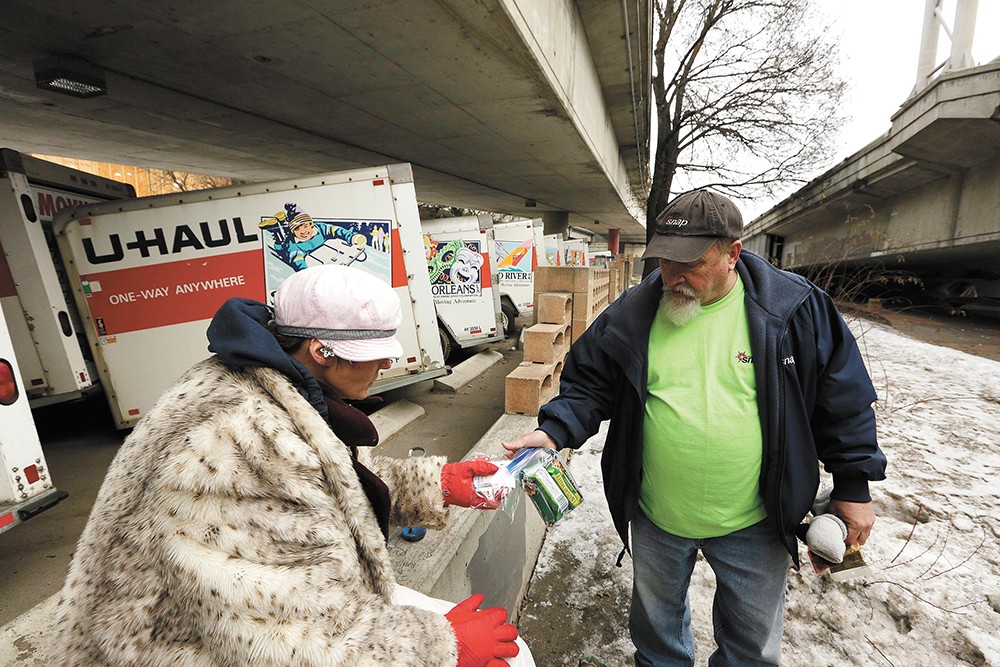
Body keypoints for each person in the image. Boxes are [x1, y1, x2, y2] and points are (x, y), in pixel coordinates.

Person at [52, 264, 531, 667]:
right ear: (322, 351)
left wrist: (430, 484)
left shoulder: (269, 385)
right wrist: (437, 647)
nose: (387, 360)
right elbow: (273, 631)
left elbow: (318, 484)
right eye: (374, 351)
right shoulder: (235, 440)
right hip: (177, 646)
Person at [503, 189, 887, 666]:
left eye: (691, 263)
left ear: (733, 254)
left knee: (751, 651)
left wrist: (853, 484)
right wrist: (554, 430)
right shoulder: (632, 315)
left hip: (756, 521)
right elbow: (589, 386)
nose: (674, 276)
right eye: (665, 261)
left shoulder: (795, 310)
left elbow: (843, 401)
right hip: (657, 516)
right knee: (658, 642)